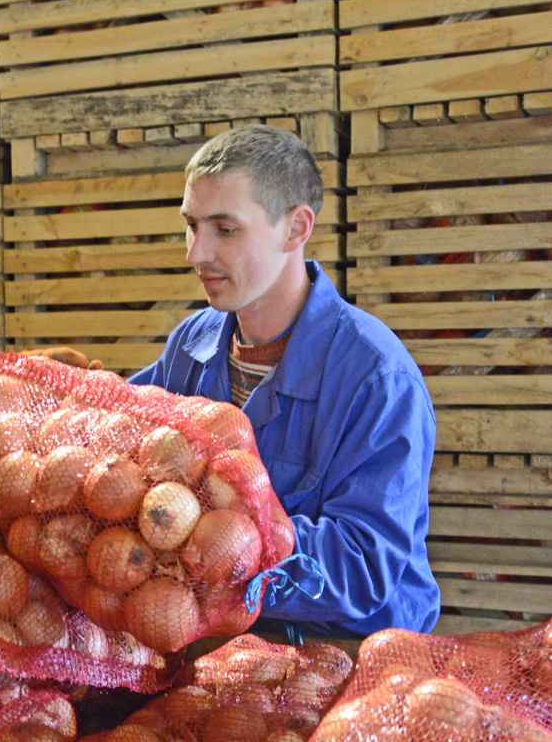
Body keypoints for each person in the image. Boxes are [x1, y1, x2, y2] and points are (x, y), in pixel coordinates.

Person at [129, 125, 441, 639]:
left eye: (225, 230)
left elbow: (364, 567)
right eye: (192, 226)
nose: (196, 253)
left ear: (296, 229)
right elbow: (122, 430)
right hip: (219, 642)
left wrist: (224, 541)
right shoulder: (191, 345)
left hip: (346, 655)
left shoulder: (377, 377)